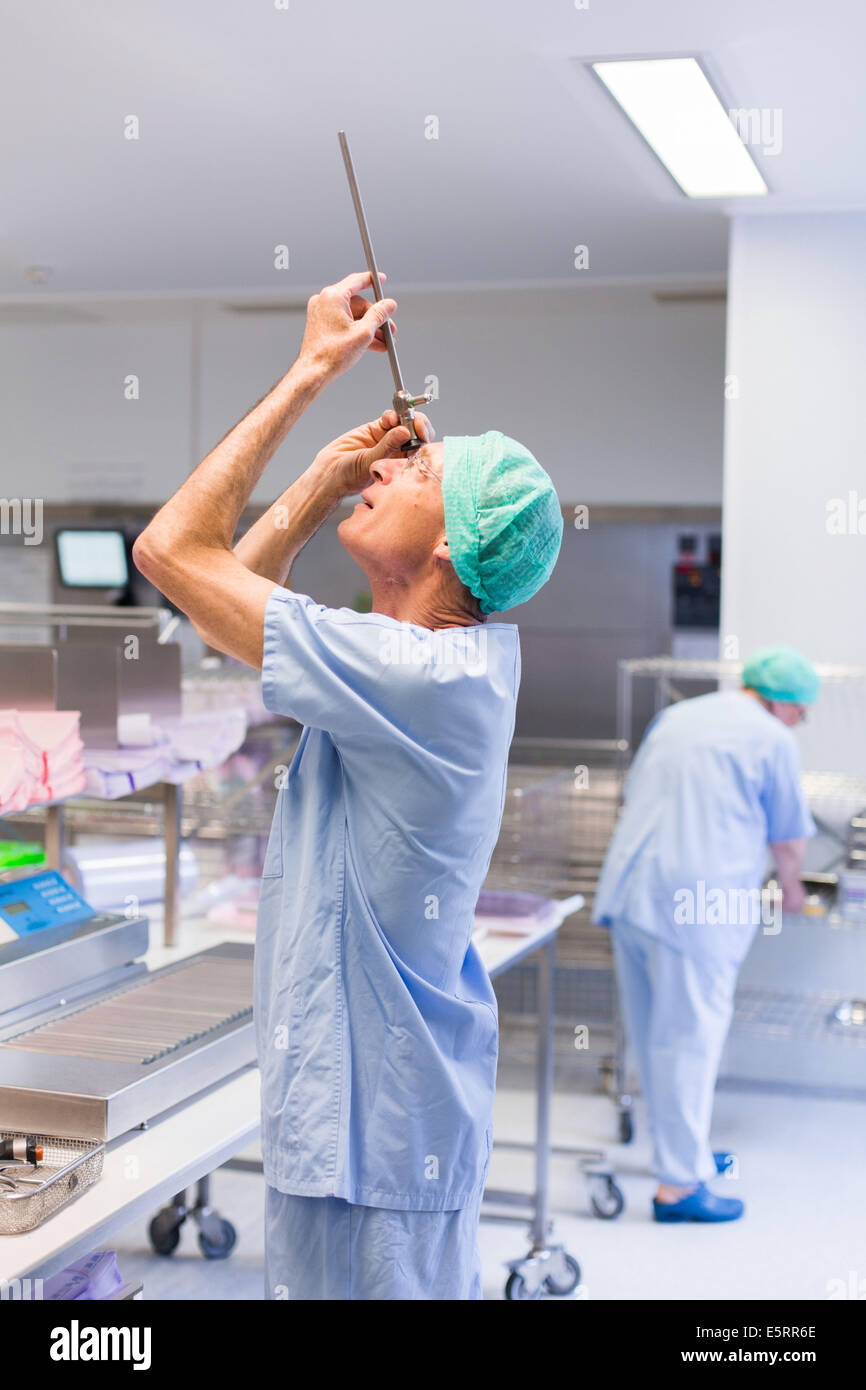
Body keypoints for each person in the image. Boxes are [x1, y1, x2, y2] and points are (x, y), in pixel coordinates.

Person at [133, 271, 563, 1298]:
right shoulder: (409, 660)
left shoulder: (418, 676)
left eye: (417, 471)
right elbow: (213, 606)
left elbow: (171, 552)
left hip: (385, 1135)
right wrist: (326, 479)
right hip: (357, 1122)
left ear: (454, 539)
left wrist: (312, 370)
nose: (389, 466)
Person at [593, 646, 819, 1223]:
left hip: (630, 890)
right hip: (695, 905)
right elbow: (789, 841)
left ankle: (681, 1153)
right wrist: (791, 892)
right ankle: (678, 1188)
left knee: (653, 1037)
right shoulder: (773, 739)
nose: (802, 721)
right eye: (801, 710)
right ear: (780, 702)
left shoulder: (680, 716)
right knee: (690, 1041)